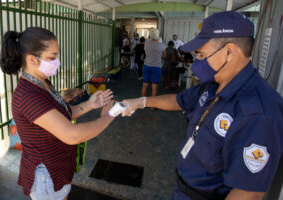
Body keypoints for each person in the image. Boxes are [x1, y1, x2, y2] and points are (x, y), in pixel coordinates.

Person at [121, 11, 283, 200]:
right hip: (183, 189)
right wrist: (141, 102)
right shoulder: (215, 82)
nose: (197, 61)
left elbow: (248, 192)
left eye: (201, 54)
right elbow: (179, 100)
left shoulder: (259, 113)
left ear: (229, 52)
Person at [0, 27, 115, 200]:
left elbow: (62, 116)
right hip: (46, 176)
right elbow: (71, 134)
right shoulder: (28, 95)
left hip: (57, 168)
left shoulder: (42, 82)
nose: (58, 62)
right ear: (32, 60)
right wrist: (108, 116)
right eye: (52, 57)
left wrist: (90, 104)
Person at [142, 28, 166, 100]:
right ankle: (152, 106)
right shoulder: (162, 45)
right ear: (157, 35)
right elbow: (164, 56)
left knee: (145, 84)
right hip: (156, 67)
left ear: (150, 35)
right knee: (154, 86)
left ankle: (142, 103)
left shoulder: (146, 43)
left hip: (146, 66)